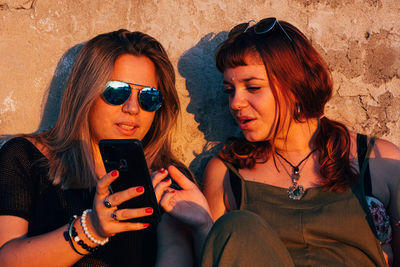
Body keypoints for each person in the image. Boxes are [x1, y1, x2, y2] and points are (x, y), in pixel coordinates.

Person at [200, 18, 400, 266]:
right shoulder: (226, 174)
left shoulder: (378, 161)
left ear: (295, 86)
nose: (235, 103)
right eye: (229, 90)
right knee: (238, 226)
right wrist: (199, 223)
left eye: (252, 87)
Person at [0, 29, 195, 266]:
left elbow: (176, 253)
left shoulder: (167, 177)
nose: (133, 108)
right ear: (86, 92)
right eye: (116, 92)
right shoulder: (24, 157)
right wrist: (91, 228)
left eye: (149, 97)